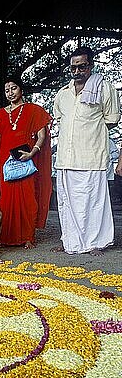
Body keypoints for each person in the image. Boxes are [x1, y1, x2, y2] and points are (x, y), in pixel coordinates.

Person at [53, 45, 121, 255]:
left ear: (90, 66)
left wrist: (89, 133)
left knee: (93, 202)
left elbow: (112, 119)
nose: (77, 72)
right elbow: (60, 120)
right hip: (66, 157)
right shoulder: (62, 93)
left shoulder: (104, 88)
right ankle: (71, 241)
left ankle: (96, 243)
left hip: (91, 155)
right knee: (68, 203)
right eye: (73, 68)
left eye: (82, 66)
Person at [0, 75, 53, 249]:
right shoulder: (1, 114)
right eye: (7, 90)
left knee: (28, 198)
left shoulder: (34, 110)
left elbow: (42, 136)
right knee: (6, 200)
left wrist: (33, 152)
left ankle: (27, 237)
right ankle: (5, 237)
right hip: (6, 162)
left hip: (27, 159)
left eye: (14, 88)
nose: (10, 93)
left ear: (21, 89)